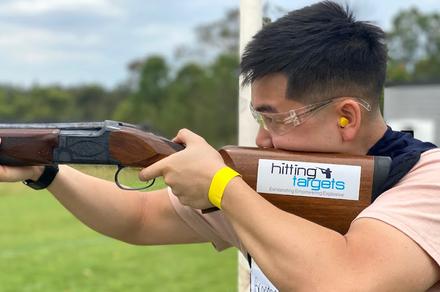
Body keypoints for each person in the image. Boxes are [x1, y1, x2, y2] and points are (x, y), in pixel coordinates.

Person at [2, 1, 440, 291]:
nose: (262, 138)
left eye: (273, 118)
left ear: (346, 117)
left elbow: (345, 279)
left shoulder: (427, 179)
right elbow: (137, 219)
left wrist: (223, 188)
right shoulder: (265, 183)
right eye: (258, 117)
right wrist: (47, 169)